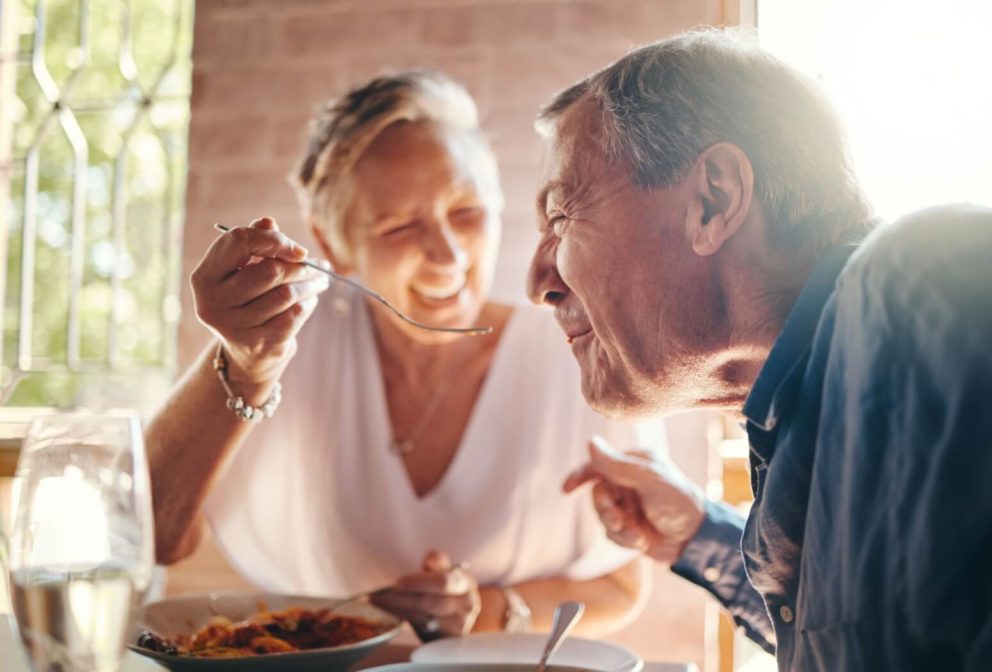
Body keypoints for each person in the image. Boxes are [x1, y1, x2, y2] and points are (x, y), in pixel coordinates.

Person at [528, 28, 992, 671]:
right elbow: (869, 626)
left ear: (715, 199)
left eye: (561, 216)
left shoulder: (920, 298)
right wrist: (699, 537)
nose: (538, 282)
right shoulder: (804, 411)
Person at [146, 70, 663, 638]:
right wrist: (244, 366)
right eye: (399, 226)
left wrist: (483, 613)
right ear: (331, 243)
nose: (446, 254)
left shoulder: (579, 351)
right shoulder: (282, 340)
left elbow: (621, 587)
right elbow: (157, 534)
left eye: (466, 213)